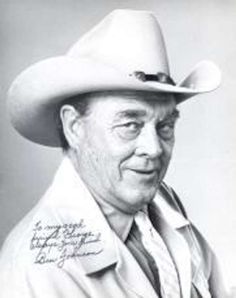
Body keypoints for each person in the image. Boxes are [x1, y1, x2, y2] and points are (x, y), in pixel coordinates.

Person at [0, 9, 228, 298]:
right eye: (130, 124)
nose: (154, 148)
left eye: (166, 125)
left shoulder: (163, 203)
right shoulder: (34, 270)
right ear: (74, 127)